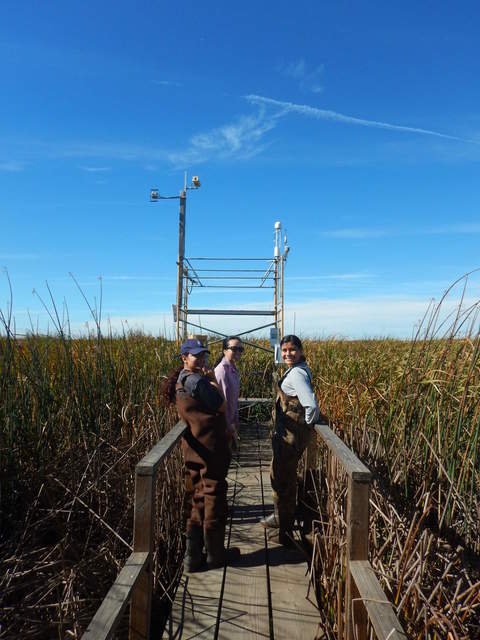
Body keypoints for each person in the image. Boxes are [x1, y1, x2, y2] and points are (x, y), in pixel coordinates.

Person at [162, 338, 240, 572]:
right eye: (197, 356)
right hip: (210, 448)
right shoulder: (197, 380)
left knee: (198, 494)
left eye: (204, 355)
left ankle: (192, 555)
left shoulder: (181, 380)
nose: (203, 359)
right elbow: (222, 405)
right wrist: (213, 378)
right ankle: (215, 554)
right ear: (184, 358)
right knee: (214, 492)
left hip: (195, 447)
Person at [260, 334, 326, 546]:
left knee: (284, 482)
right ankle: (281, 520)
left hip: (290, 439)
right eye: (285, 350)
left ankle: (285, 533)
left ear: (300, 350)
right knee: (279, 475)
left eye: (292, 350)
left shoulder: (297, 374)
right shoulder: (299, 369)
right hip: (288, 438)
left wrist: (305, 424)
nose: (288, 353)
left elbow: (312, 406)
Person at [214, 336, 243, 450]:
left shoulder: (232, 368)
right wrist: (228, 424)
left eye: (240, 349)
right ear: (224, 350)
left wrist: (235, 420)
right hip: (224, 425)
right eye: (234, 349)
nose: (238, 352)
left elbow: (233, 399)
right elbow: (222, 400)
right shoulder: (221, 371)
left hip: (230, 422)